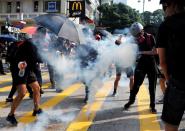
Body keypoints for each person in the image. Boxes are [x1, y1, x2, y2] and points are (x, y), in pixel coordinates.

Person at [6, 27, 46, 125]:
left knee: (36, 88)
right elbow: (37, 59)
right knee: (22, 93)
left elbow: (35, 60)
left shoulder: (36, 44)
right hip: (19, 68)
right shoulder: (30, 43)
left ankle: (36, 109)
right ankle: (10, 115)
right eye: (43, 36)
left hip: (28, 68)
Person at [157, 0, 185, 130]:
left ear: (172, 5)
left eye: (165, 6)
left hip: (177, 82)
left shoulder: (165, 26)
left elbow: (162, 61)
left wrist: (168, 79)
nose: (164, 10)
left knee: (171, 125)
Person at [123, 22, 158, 113]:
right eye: (136, 35)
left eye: (139, 34)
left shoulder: (150, 37)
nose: (138, 36)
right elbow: (124, 46)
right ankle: (131, 101)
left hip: (151, 63)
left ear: (142, 31)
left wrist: (141, 52)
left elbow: (155, 52)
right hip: (141, 64)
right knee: (136, 85)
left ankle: (152, 105)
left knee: (152, 86)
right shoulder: (134, 39)